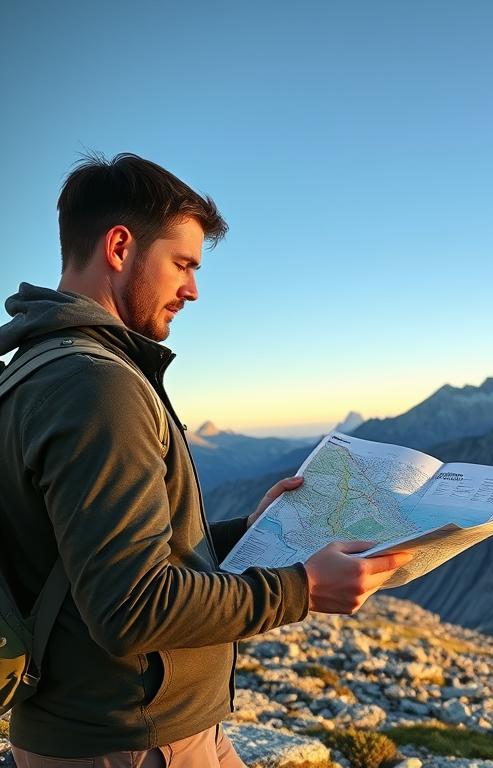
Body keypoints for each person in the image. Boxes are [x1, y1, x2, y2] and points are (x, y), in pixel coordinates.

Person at [0, 153, 413, 766]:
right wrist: (300, 589)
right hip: (130, 741)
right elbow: (130, 607)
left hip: (144, 726)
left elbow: (93, 553)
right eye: (183, 264)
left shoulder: (39, 368)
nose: (193, 290)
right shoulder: (97, 387)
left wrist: (250, 533)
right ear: (119, 246)